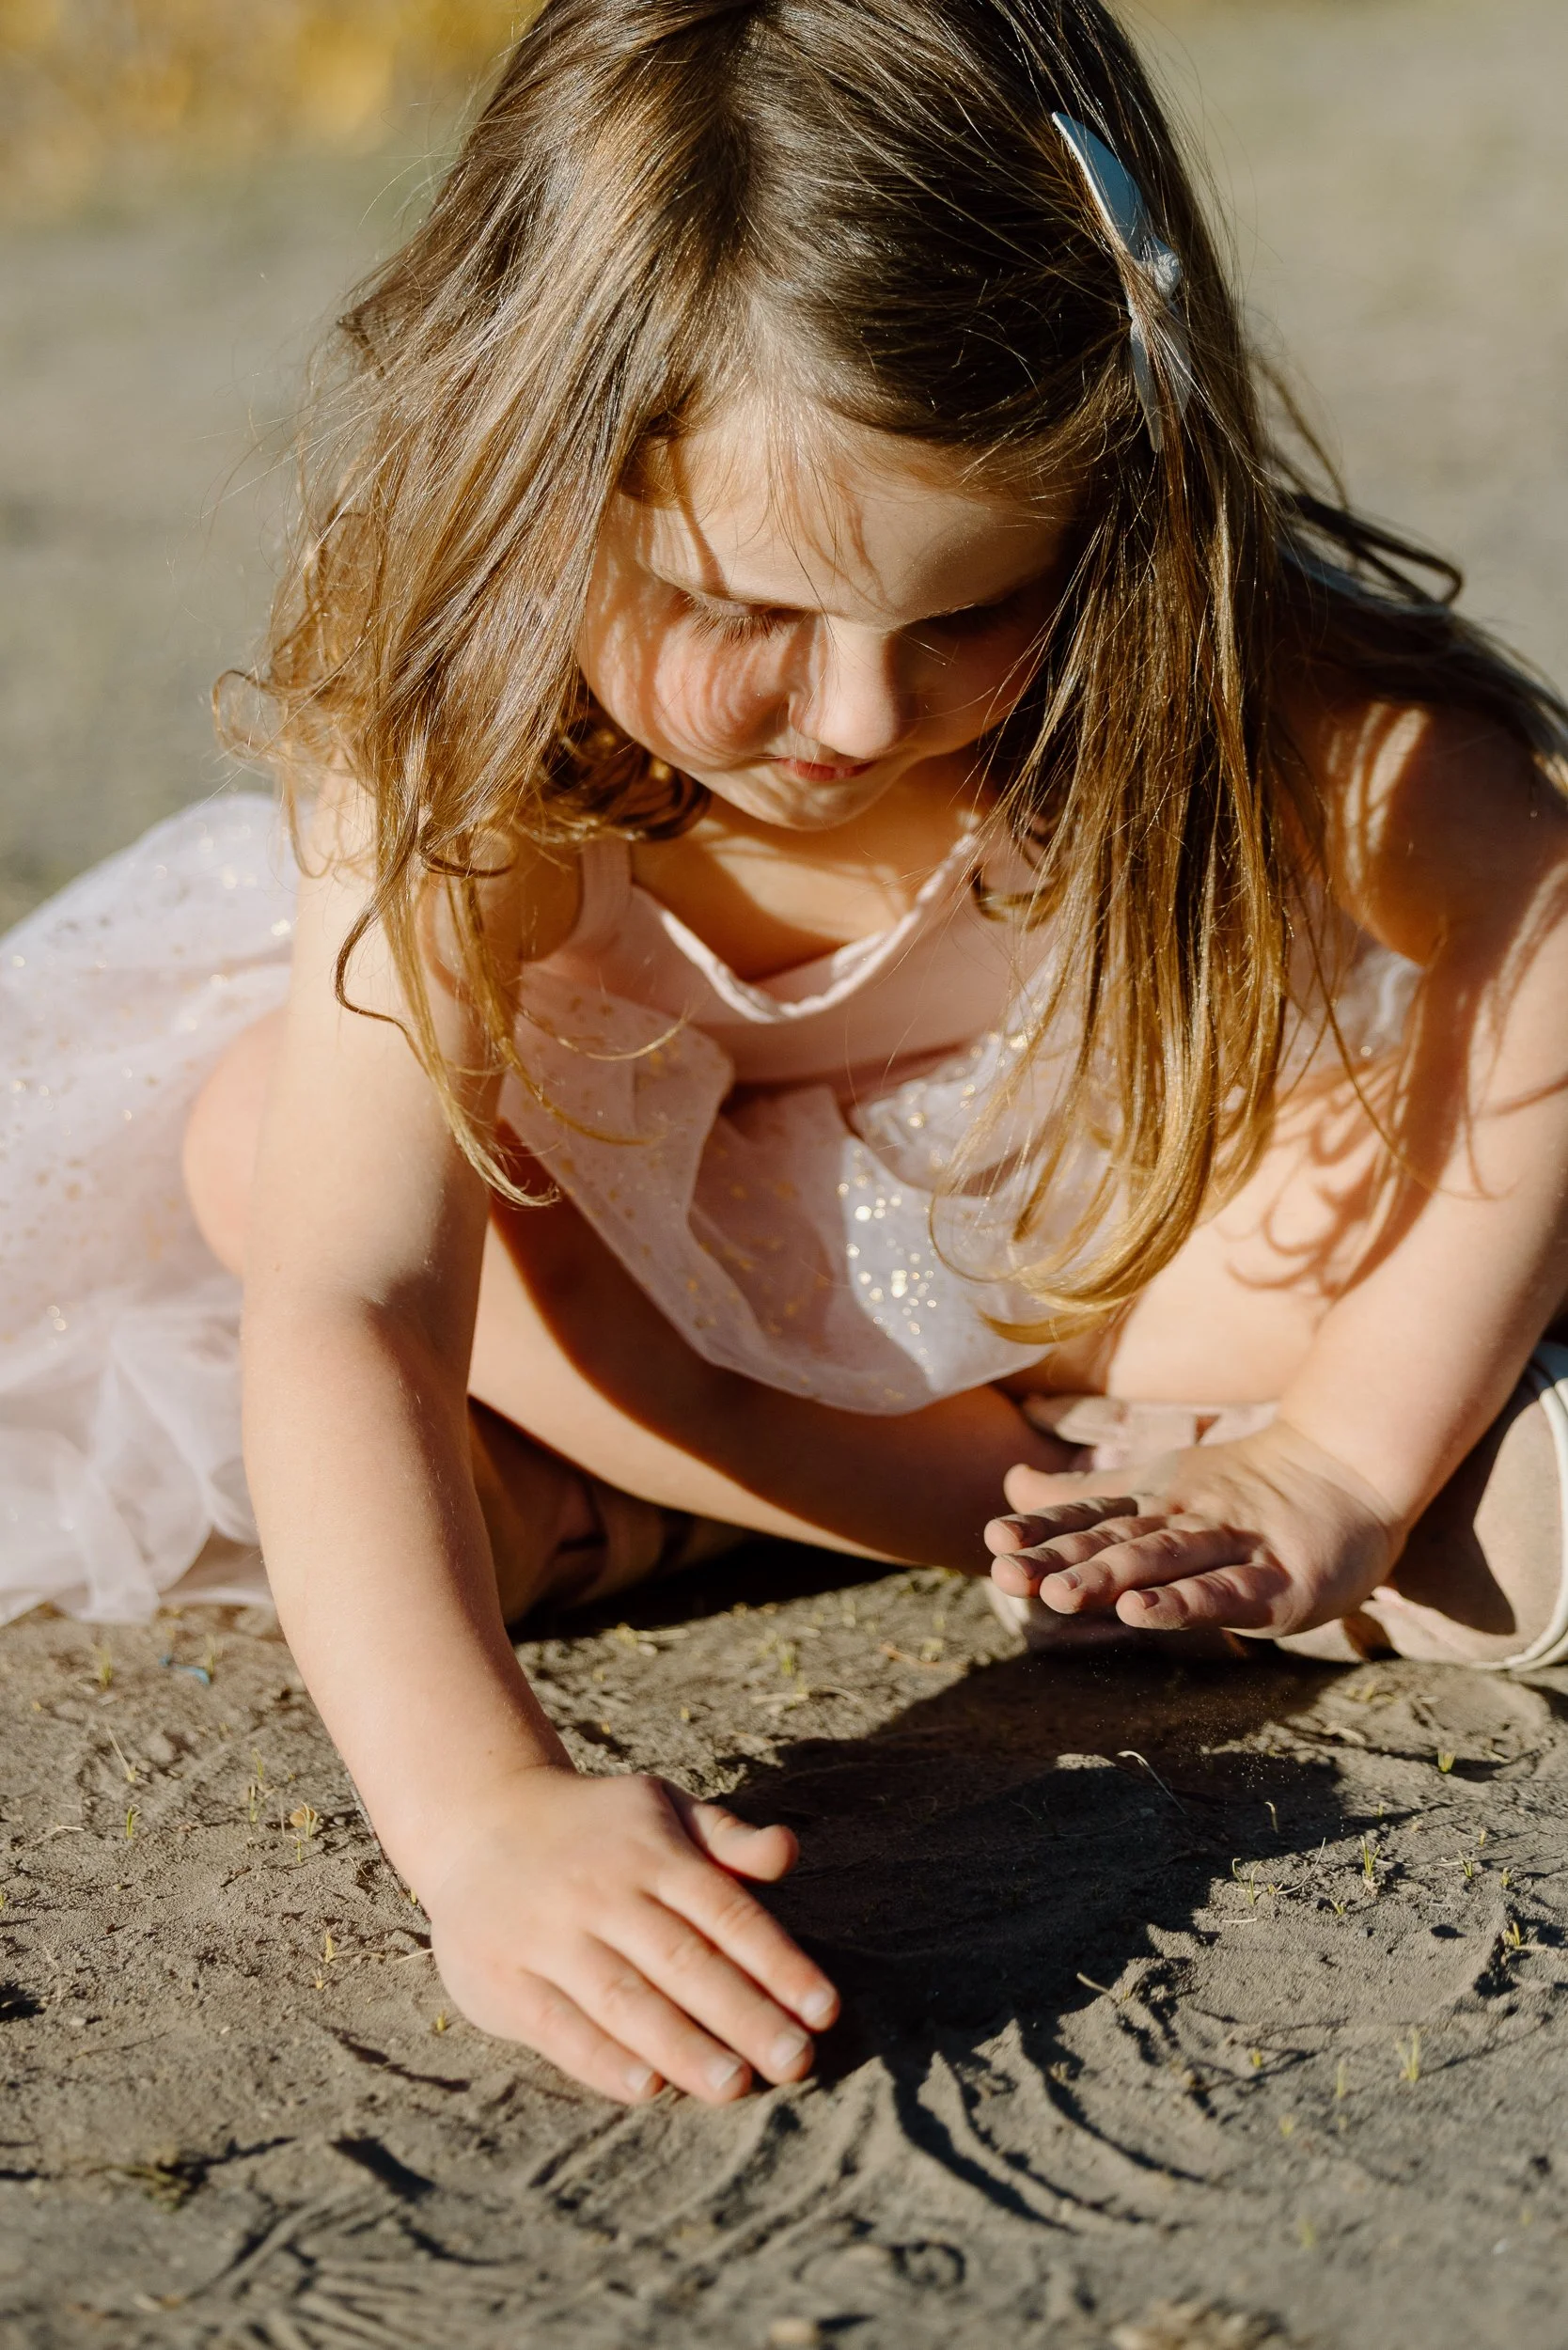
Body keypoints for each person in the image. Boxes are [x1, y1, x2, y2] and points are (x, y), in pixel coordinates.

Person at [6, 0, 1568, 2106]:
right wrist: (481, 1820)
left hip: (1060, 1212)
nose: (851, 716)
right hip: (656, 1291)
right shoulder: (462, 743)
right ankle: (1030, 1507)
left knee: (1404, 1140)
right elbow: (363, 1290)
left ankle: (1158, 1498)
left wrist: (1349, 1450)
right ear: (536, 473)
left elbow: (1545, 932)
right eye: (743, 611)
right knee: (276, 1137)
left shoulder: (1187, 650)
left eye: (962, 612)